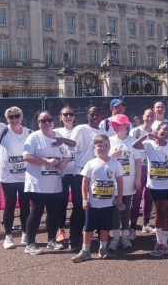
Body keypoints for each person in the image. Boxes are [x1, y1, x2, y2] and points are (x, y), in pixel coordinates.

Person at [0, 88, 31, 250]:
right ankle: (8, 236)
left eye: (17, 116)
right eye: (11, 117)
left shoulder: (28, 132)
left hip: (25, 176)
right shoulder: (2, 130)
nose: (14, 119)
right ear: (7, 119)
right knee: (10, 205)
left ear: (21, 117)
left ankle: (25, 233)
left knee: (25, 206)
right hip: (8, 176)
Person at [22, 110, 73, 255]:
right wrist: (46, 161)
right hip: (37, 183)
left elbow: (67, 154)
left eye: (49, 120)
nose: (46, 123)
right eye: (42, 121)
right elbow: (26, 156)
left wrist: (63, 163)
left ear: (53, 122)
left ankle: (51, 240)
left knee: (53, 212)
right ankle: (30, 243)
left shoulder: (58, 137)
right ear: (38, 123)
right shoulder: (34, 137)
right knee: (36, 212)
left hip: (54, 182)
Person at [71, 135, 125, 262]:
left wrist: (119, 198)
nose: (103, 148)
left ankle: (103, 248)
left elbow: (120, 181)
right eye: (99, 146)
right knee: (89, 227)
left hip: (108, 204)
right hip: (93, 204)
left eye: (106, 146)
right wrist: (85, 199)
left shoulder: (115, 163)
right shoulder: (90, 163)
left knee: (105, 227)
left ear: (110, 147)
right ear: (94, 147)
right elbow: (84, 183)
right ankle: (85, 251)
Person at [133, 122, 168, 257]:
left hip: (167, 185)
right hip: (153, 185)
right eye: (164, 130)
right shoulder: (149, 144)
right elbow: (135, 145)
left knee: (166, 211)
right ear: (157, 130)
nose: (166, 133)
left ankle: (165, 242)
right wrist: (147, 135)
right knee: (158, 212)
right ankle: (159, 242)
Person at [69, 106, 106, 251]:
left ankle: (98, 238)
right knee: (79, 207)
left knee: (97, 206)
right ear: (87, 116)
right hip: (81, 173)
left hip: (98, 175)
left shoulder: (103, 131)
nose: (95, 117)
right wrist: (62, 140)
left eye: (98, 114)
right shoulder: (80, 129)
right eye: (92, 114)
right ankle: (74, 239)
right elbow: (72, 144)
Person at [107, 114, 142, 251]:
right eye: (113, 125)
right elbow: (103, 158)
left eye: (117, 125)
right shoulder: (110, 141)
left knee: (126, 209)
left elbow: (138, 162)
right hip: (114, 182)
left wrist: (138, 178)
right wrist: (112, 156)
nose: (115, 127)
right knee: (116, 210)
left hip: (128, 181)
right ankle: (115, 237)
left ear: (126, 126)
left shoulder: (133, 141)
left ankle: (125, 236)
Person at [128, 109, 156, 235]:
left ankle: (146, 223)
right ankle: (133, 224)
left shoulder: (156, 132)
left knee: (149, 196)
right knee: (137, 196)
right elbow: (131, 147)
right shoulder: (136, 131)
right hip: (138, 167)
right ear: (143, 117)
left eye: (152, 116)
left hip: (151, 167)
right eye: (148, 116)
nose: (150, 118)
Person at [54, 106, 77, 244]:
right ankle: (60, 229)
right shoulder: (56, 132)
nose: (68, 116)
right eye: (65, 114)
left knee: (78, 203)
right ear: (60, 117)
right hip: (62, 172)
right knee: (61, 203)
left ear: (74, 116)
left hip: (76, 172)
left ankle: (76, 228)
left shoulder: (79, 130)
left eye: (71, 114)